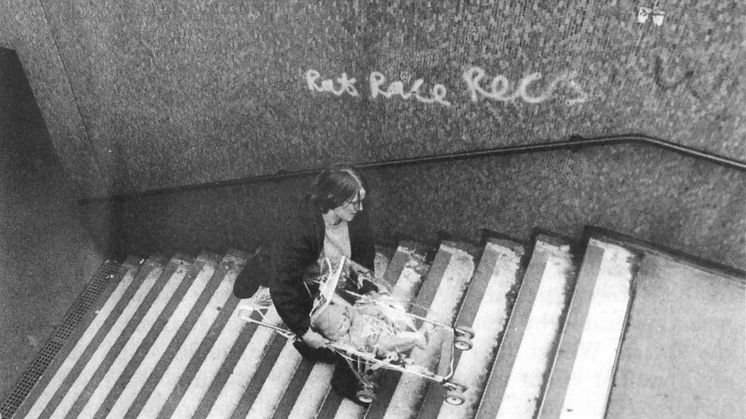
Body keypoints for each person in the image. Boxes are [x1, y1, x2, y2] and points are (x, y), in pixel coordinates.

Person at [251, 164, 376, 403]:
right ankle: (345, 383)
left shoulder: (356, 216)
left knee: (371, 314)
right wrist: (305, 331)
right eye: (354, 203)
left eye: (361, 201)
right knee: (345, 330)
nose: (360, 209)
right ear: (333, 199)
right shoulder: (300, 231)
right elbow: (284, 286)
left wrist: (367, 288)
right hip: (310, 287)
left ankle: (316, 350)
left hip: (339, 279)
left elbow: (365, 253)